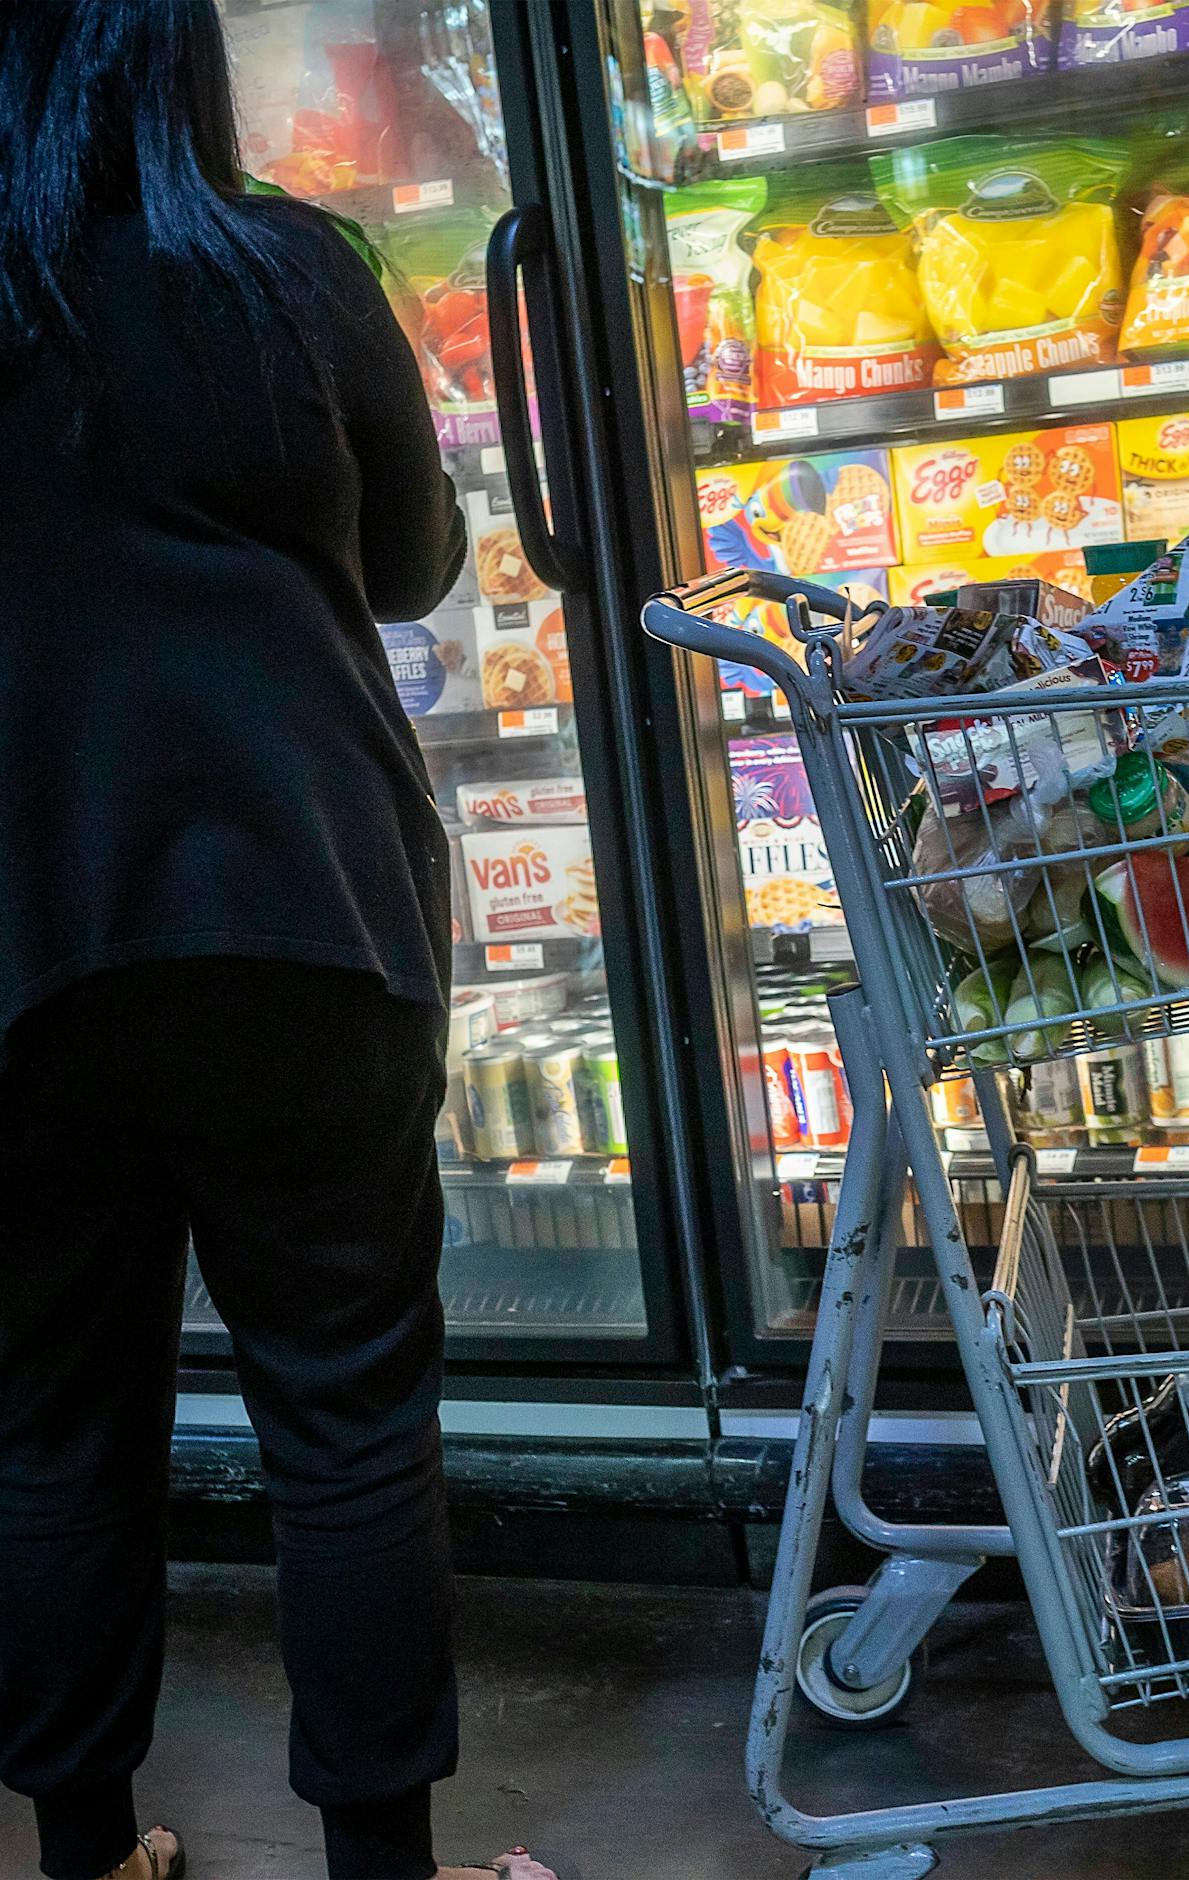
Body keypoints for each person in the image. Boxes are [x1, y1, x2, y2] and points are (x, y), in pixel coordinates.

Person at [0, 5, 559, 1877]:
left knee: (54, 1428)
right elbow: (412, 566)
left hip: (19, 942)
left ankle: (86, 1855)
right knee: (345, 1414)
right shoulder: (279, 272)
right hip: (298, 907)